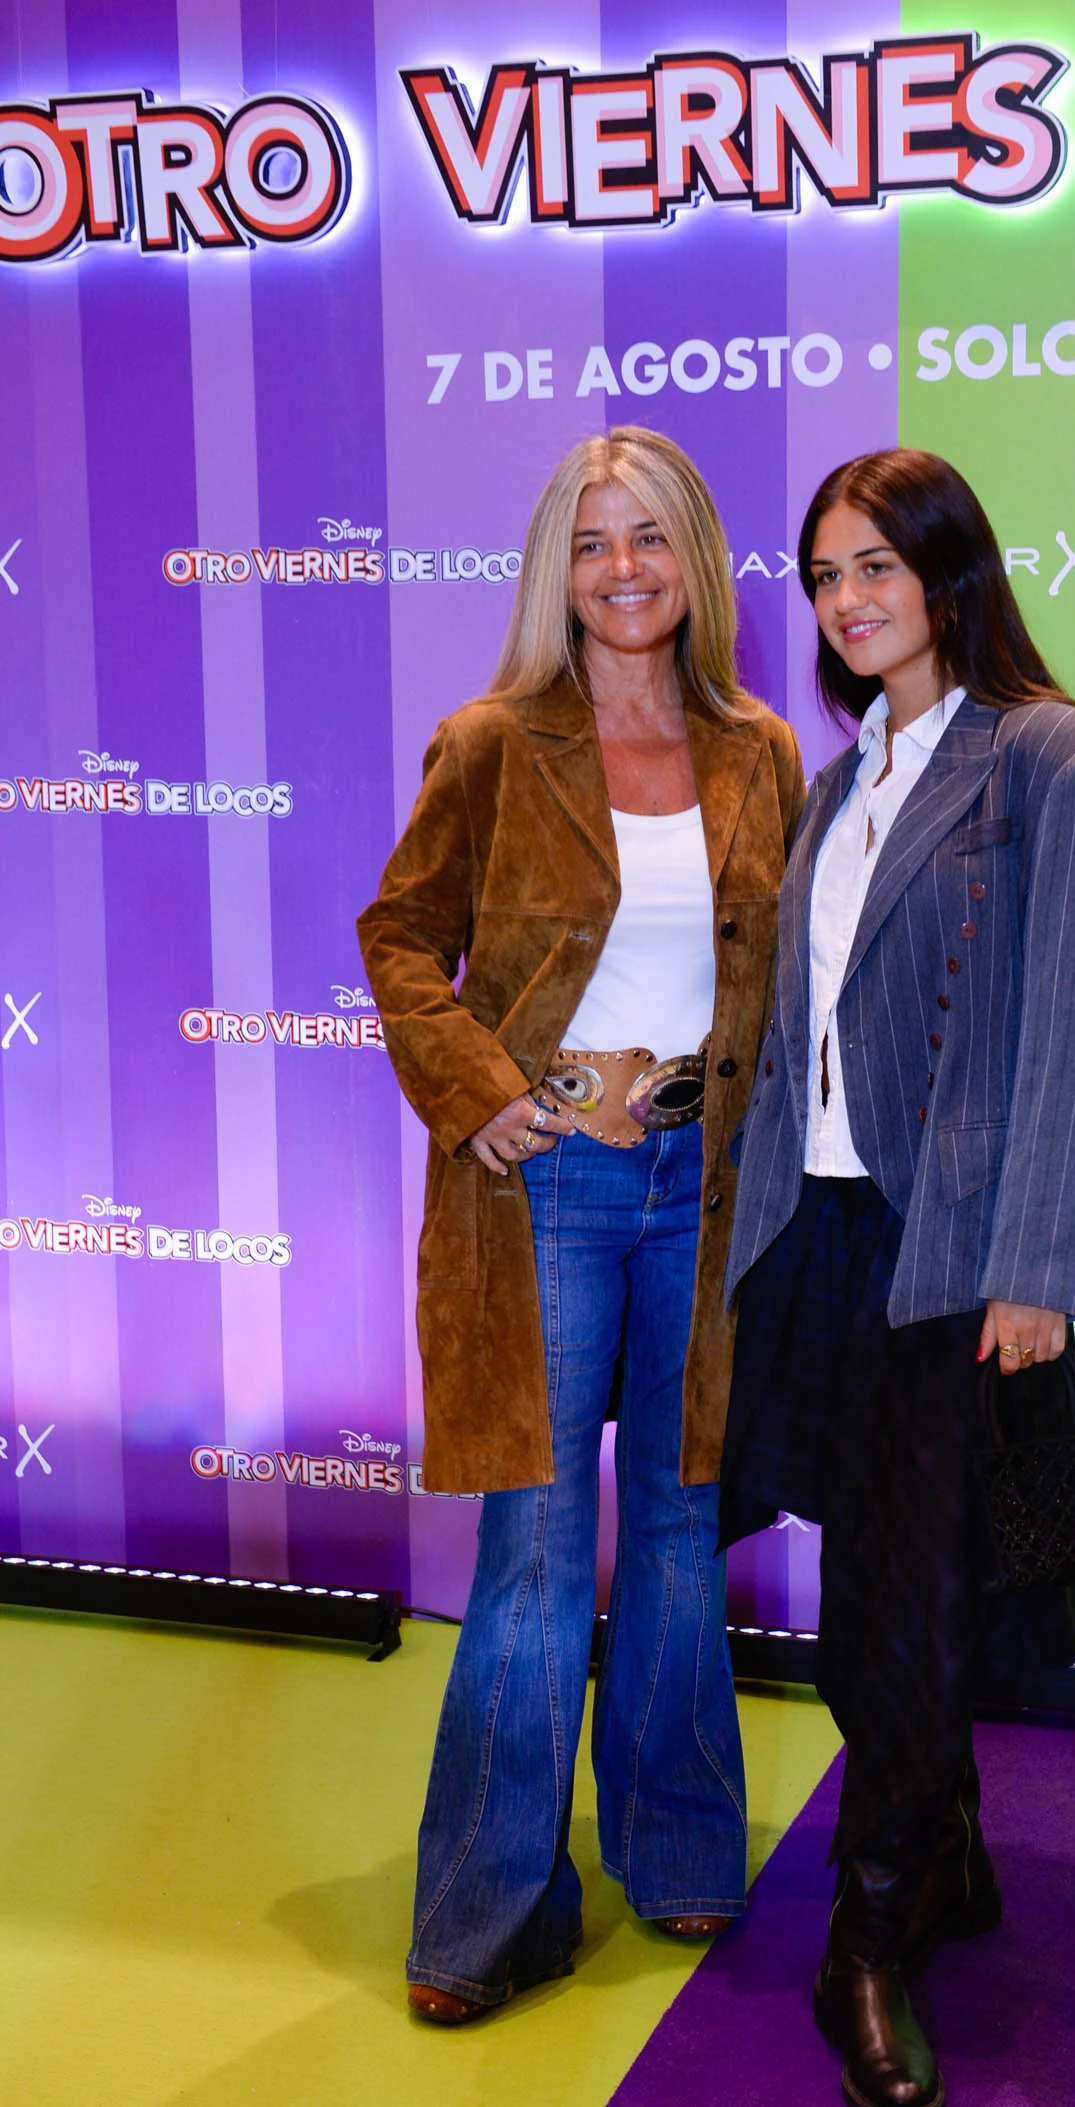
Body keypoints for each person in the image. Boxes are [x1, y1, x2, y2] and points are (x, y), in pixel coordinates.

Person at [359, 426, 805, 2024]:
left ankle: (682, 1849)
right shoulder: (488, 740)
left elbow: (781, 981)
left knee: (683, 1537)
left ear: (696, 563)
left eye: (654, 540)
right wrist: (479, 1088)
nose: (625, 571)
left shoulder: (759, 748)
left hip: (708, 1188)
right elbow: (402, 938)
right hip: (542, 1184)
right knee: (539, 1554)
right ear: (560, 566)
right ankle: (482, 1915)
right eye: (595, 541)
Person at [721, 449, 1075, 2107]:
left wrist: (1035, 1264)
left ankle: (871, 1938)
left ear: (953, 572)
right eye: (826, 575)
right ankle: (947, 1846)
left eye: (879, 566)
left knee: (900, 1611)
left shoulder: (1057, 758)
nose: (848, 600)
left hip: (955, 1250)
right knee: (867, 1601)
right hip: (816, 1233)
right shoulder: (844, 777)